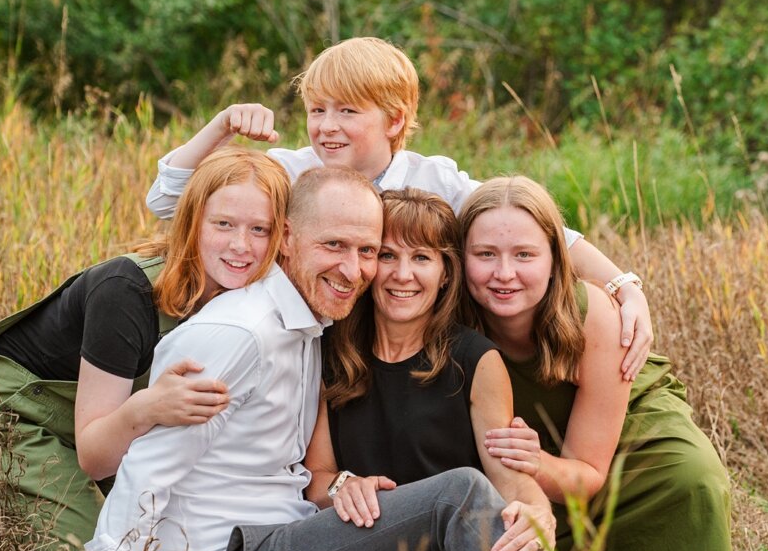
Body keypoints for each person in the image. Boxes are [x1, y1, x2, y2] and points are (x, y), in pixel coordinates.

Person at [85, 167, 624, 551]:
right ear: (289, 237)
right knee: (454, 497)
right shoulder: (241, 334)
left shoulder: (311, 327)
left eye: (366, 250)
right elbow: (143, 479)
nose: (356, 268)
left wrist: (533, 505)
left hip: (281, 550)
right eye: (335, 246)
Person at [144, 36, 653, 382]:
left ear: (394, 119)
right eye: (317, 110)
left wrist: (623, 285)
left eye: (347, 111)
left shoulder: (433, 179)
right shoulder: (293, 171)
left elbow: (541, 234)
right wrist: (221, 128)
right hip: (310, 344)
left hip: (400, 342)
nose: (326, 126)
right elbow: (169, 202)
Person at [0, 147, 291, 551]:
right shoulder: (125, 293)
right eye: (223, 224)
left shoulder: (252, 304)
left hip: (108, 416)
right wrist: (145, 409)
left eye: (260, 229)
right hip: (12, 412)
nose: (241, 245)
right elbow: (96, 456)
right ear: (191, 222)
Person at [458, 176, 740, 551]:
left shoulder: (590, 314)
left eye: (525, 255)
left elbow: (587, 470)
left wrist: (537, 463)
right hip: (529, 445)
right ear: (460, 258)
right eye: (485, 255)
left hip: (618, 423)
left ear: (556, 259)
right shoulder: (451, 317)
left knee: (690, 477)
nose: (504, 273)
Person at [303, 188, 553, 551]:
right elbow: (316, 479)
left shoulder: (476, 360)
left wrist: (539, 511)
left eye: (421, 257)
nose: (402, 275)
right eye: (386, 256)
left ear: (445, 273)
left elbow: (512, 482)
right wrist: (343, 485)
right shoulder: (329, 351)